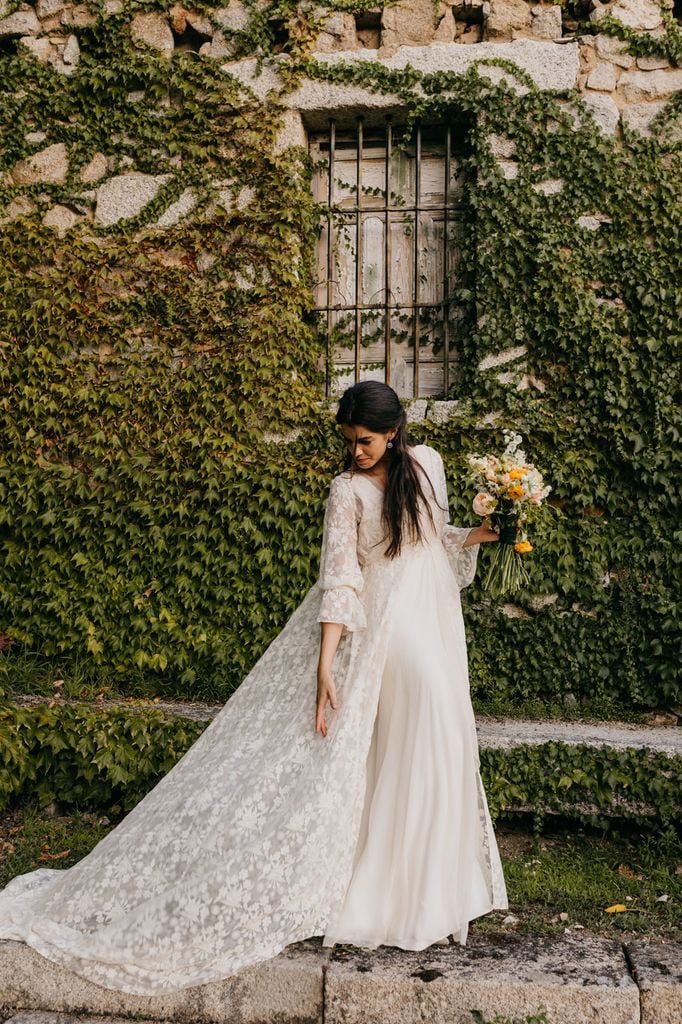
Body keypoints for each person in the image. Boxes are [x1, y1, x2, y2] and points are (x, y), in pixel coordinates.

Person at [0, 380, 507, 995]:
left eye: (366, 441)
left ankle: (430, 889)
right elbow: (341, 579)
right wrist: (325, 663)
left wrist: (489, 531)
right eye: (349, 442)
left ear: (395, 431)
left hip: (435, 617)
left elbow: (434, 541)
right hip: (388, 628)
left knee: (440, 734)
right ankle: (386, 889)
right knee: (413, 729)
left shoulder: (428, 464)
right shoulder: (344, 491)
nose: (357, 453)